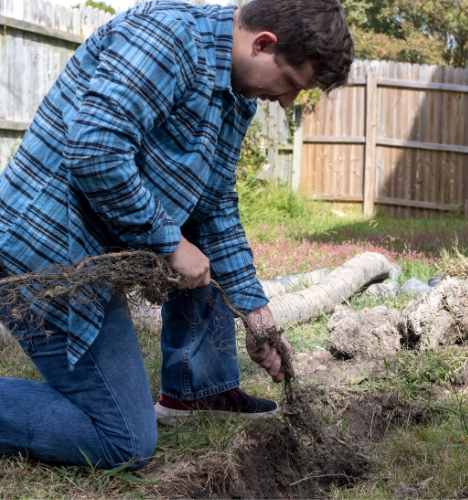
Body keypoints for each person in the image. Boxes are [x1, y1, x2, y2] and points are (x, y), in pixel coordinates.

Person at [0, 0, 353, 470]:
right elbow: (95, 151)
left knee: (197, 236)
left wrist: (257, 315)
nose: (287, 102)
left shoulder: (236, 95)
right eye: (290, 84)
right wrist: (169, 243)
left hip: (92, 260)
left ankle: (197, 391)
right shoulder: (168, 40)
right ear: (263, 43)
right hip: (44, 252)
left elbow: (215, 207)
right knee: (125, 442)